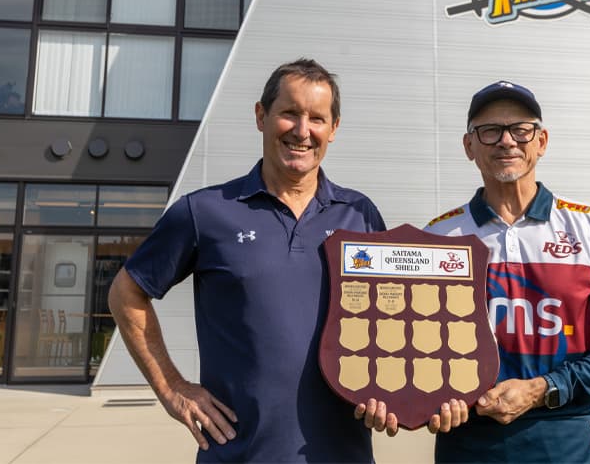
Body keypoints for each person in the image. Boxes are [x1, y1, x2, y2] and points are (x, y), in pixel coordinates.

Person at [109, 58, 386, 463]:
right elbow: (126, 292)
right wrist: (171, 386)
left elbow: (390, 323)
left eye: (317, 119)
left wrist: (392, 391)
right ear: (261, 116)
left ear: (334, 129)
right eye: (289, 113)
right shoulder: (204, 213)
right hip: (239, 456)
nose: (303, 131)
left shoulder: (360, 215)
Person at [364, 80, 590, 462]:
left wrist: (543, 388)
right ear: (469, 146)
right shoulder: (437, 237)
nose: (506, 141)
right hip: (470, 445)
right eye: (490, 131)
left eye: (521, 129)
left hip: (570, 443)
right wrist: (403, 398)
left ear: (542, 141)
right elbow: (411, 349)